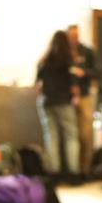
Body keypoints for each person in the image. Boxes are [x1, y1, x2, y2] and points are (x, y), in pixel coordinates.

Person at [35, 30, 80, 177]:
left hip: (46, 102)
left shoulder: (44, 61)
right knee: (71, 136)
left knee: (51, 136)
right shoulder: (69, 60)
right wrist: (75, 97)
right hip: (64, 101)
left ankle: (54, 171)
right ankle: (73, 172)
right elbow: (73, 85)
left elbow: (38, 85)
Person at [67, 25, 101, 177]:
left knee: (85, 134)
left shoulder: (88, 51)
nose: (74, 38)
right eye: (71, 35)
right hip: (66, 98)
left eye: (76, 35)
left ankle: (85, 169)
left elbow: (98, 71)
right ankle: (71, 170)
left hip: (85, 95)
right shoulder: (62, 53)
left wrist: (84, 73)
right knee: (71, 135)